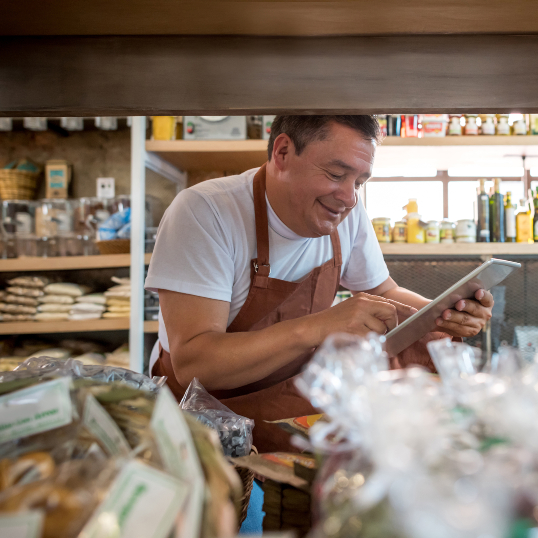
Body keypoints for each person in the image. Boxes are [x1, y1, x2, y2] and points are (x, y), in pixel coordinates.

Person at [146, 115, 494, 452]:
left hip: (285, 405)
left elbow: (384, 292)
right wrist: (320, 326)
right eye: (336, 174)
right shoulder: (206, 212)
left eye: (358, 182)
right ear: (282, 153)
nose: (349, 198)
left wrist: (444, 311)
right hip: (204, 421)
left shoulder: (347, 215)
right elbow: (196, 363)